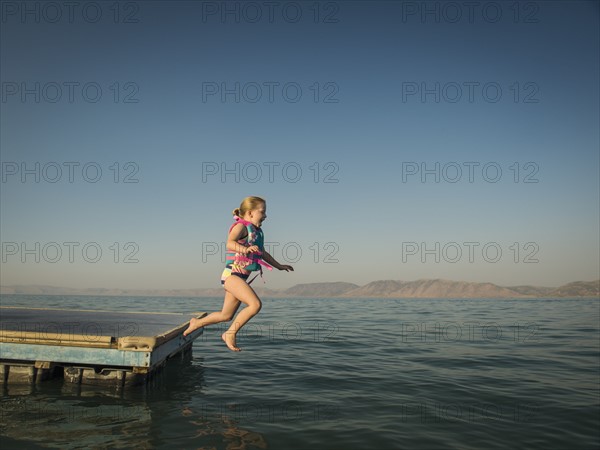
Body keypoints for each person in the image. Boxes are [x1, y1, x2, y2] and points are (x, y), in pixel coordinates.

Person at [183, 196, 293, 351]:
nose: (266, 216)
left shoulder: (256, 231)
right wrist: (245, 249)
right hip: (232, 276)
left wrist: (279, 266)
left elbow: (262, 253)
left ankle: (197, 323)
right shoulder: (241, 227)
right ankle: (230, 334)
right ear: (250, 213)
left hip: (240, 277)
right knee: (255, 305)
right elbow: (230, 243)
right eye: (263, 212)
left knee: (225, 315)